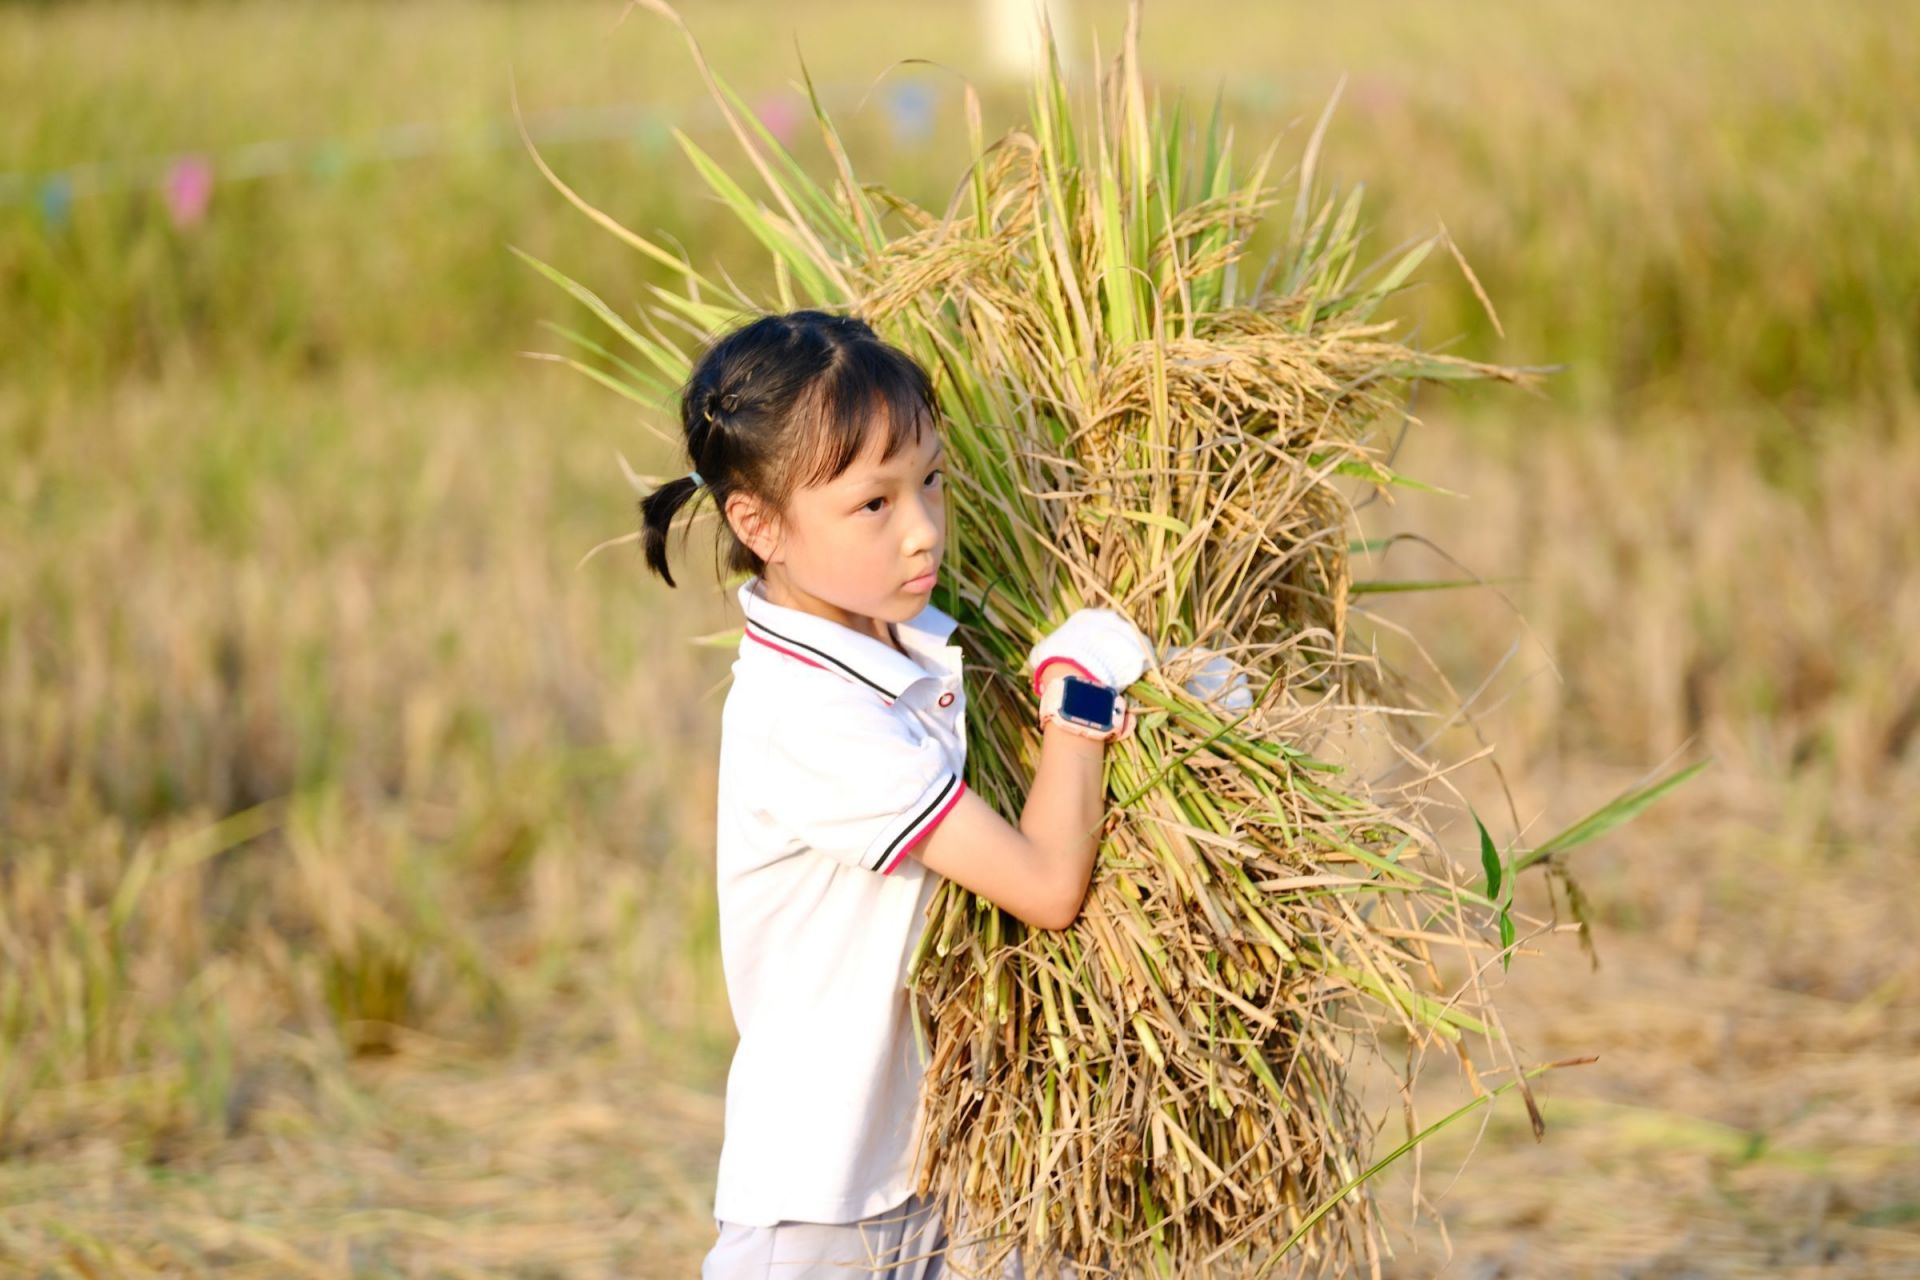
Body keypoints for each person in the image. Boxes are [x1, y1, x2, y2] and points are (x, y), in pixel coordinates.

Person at [640, 309, 1151, 1279]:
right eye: (873, 504)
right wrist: (1080, 703)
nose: (922, 530)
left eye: (932, 479)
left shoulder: (890, 644)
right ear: (761, 525)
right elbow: (1047, 885)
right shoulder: (811, 713)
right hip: (824, 1211)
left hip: (927, 1172)